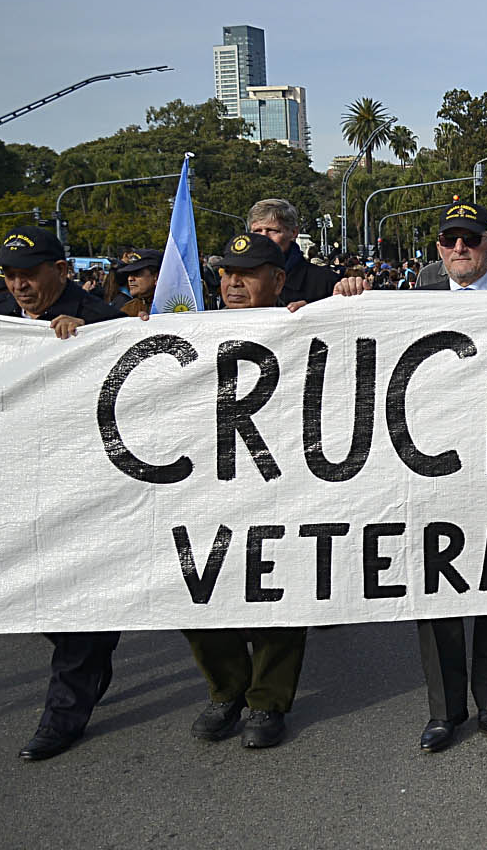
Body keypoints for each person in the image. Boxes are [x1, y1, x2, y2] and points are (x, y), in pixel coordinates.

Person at [334, 202, 487, 750]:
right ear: (438, 249)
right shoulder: (410, 305)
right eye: (450, 240)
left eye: (472, 241)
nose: (461, 249)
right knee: (439, 589)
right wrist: (341, 303)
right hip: (431, 467)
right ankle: (445, 710)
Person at [0, 227, 133, 759]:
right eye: (10, 275)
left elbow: (131, 365)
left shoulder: (104, 315)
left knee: (75, 597)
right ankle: (93, 654)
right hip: (18, 480)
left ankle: (63, 716)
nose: (19, 286)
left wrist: (91, 338)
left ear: (60, 271)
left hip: (86, 480)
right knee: (39, 595)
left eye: (29, 274)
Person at [181, 234, 310, 749]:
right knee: (198, 585)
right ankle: (226, 689)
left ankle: (267, 701)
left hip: (282, 480)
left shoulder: (302, 324)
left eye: (248, 272)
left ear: (277, 281)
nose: (232, 282)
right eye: (226, 272)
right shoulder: (191, 330)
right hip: (206, 482)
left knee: (278, 590)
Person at [247, 199, 338, 309]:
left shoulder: (326, 282)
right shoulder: (237, 280)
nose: (264, 238)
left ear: (293, 232)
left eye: (272, 230)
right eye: (257, 231)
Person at [107, 249, 161, 317]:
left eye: (137, 273)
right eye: (129, 274)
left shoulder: (172, 305)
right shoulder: (128, 309)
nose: (130, 279)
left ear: (157, 277)